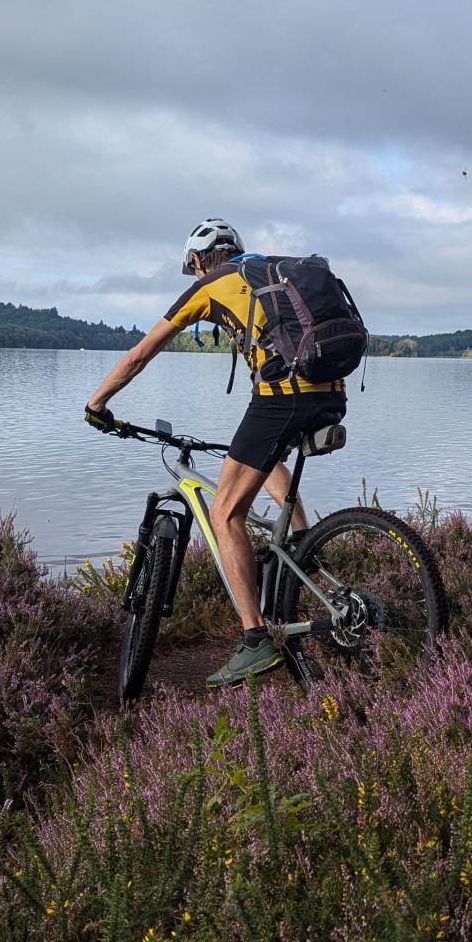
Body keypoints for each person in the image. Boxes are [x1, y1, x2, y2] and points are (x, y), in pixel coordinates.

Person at [85, 218, 348, 684]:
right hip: (330, 389)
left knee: (226, 513)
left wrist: (98, 403)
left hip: (282, 396)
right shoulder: (272, 274)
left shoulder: (210, 285)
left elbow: (138, 356)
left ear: (198, 260)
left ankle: (254, 640)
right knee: (264, 461)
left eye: (193, 267)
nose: (194, 274)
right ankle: (305, 544)